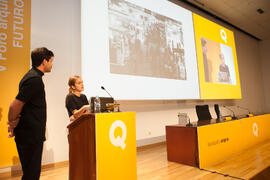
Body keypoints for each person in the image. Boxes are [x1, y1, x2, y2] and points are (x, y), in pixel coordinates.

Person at [7, 47, 54, 180]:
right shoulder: (34, 80)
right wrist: (12, 123)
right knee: (31, 174)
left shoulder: (31, 76)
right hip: (30, 136)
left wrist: (13, 123)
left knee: (30, 173)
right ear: (44, 61)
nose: (51, 65)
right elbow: (15, 105)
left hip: (30, 134)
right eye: (51, 61)